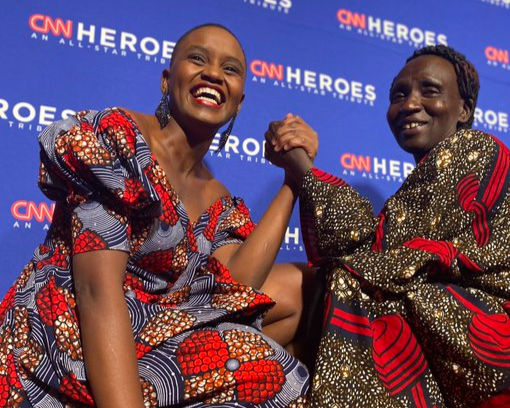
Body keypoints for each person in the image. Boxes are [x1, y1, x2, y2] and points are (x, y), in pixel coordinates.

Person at [0, 24, 317, 407]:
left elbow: (236, 287)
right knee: (258, 357)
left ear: (239, 103)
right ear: (167, 81)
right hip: (60, 340)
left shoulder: (217, 199)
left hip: (141, 341)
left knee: (274, 340)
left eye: (230, 69)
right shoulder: (117, 138)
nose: (213, 73)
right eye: (197, 58)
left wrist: (293, 181)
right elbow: (96, 291)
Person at [266, 44, 510, 408]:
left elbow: (379, 256)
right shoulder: (417, 187)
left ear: (464, 109)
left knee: (314, 288)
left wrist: (302, 169)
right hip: (446, 332)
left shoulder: (477, 149)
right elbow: (380, 251)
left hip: (484, 339)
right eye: (399, 94)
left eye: (429, 90)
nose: (409, 103)